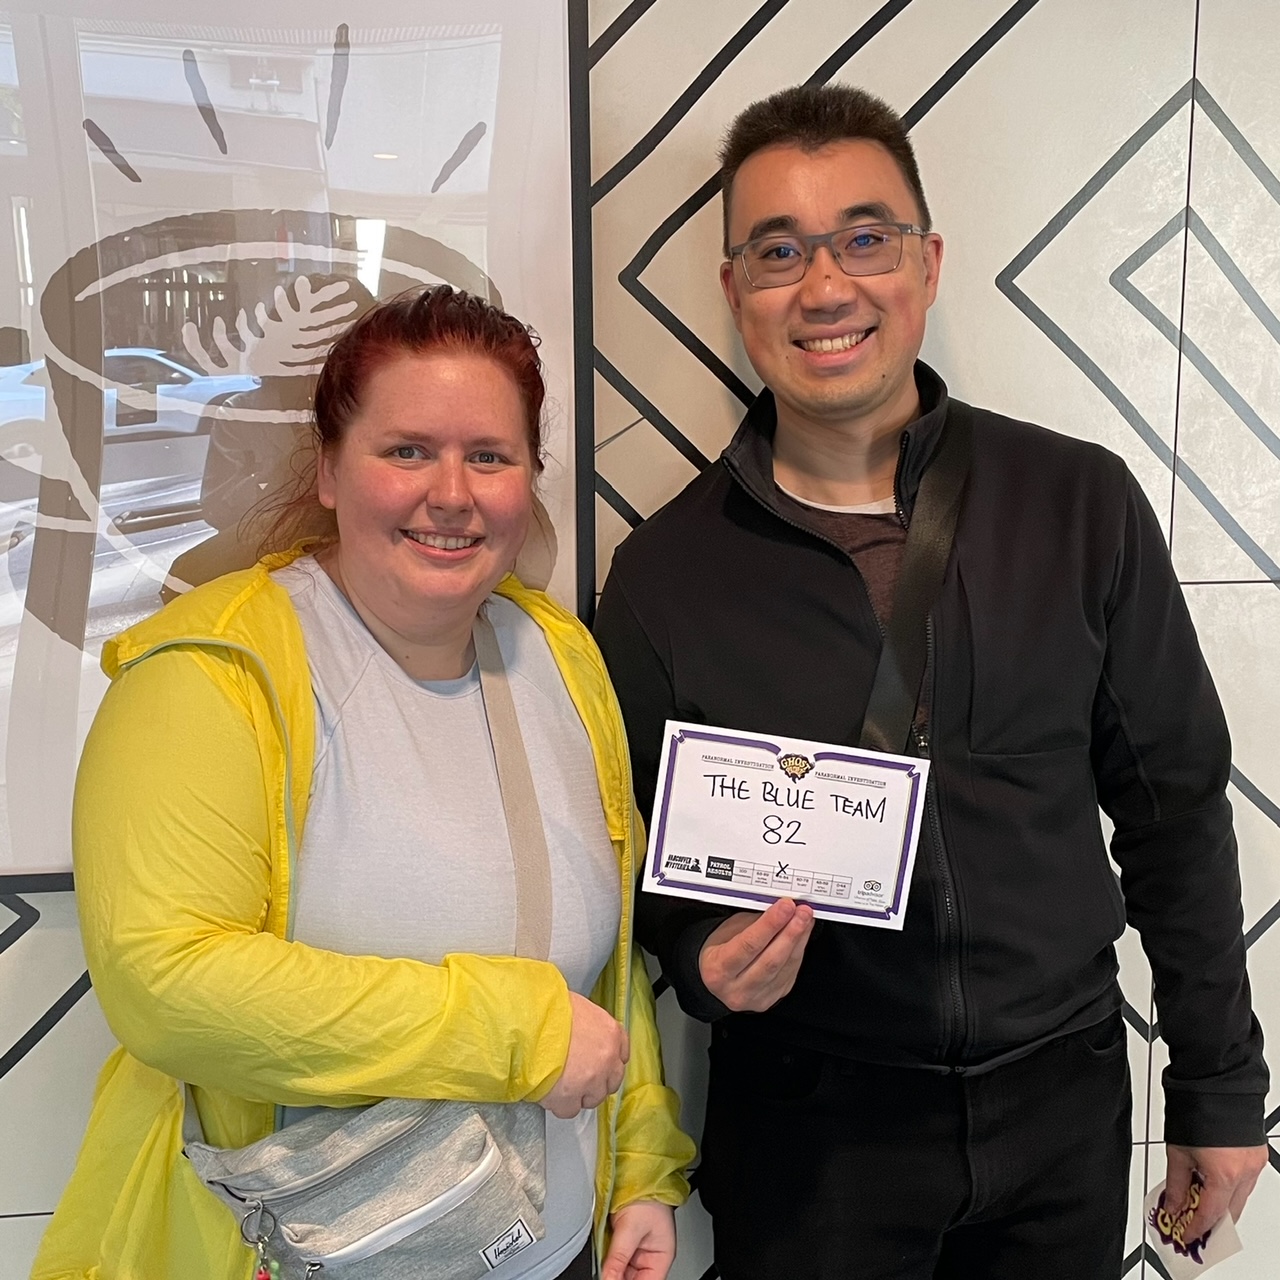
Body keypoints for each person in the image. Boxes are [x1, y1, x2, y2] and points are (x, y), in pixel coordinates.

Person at [593, 84, 1268, 1278]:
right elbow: (630, 865)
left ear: (926, 262)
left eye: (864, 238)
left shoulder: (1077, 503)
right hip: (810, 1135)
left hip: (1062, 1106)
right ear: (733, 290)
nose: (824, 286)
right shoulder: (663, 574)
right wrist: (701, 958)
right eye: (778, 251)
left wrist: (1217, 1085)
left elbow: (1173, 810)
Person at [35, 286, 694, 1280]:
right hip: (292, 1257)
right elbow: (167, 985)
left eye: (490, 456)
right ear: (330, 469)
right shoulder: (210, 674)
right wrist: (519, 1032)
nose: (452, 493)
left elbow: (602, 966)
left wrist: (640, 1164)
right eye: (407, 450)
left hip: (552, 1248)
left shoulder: (558, 656)